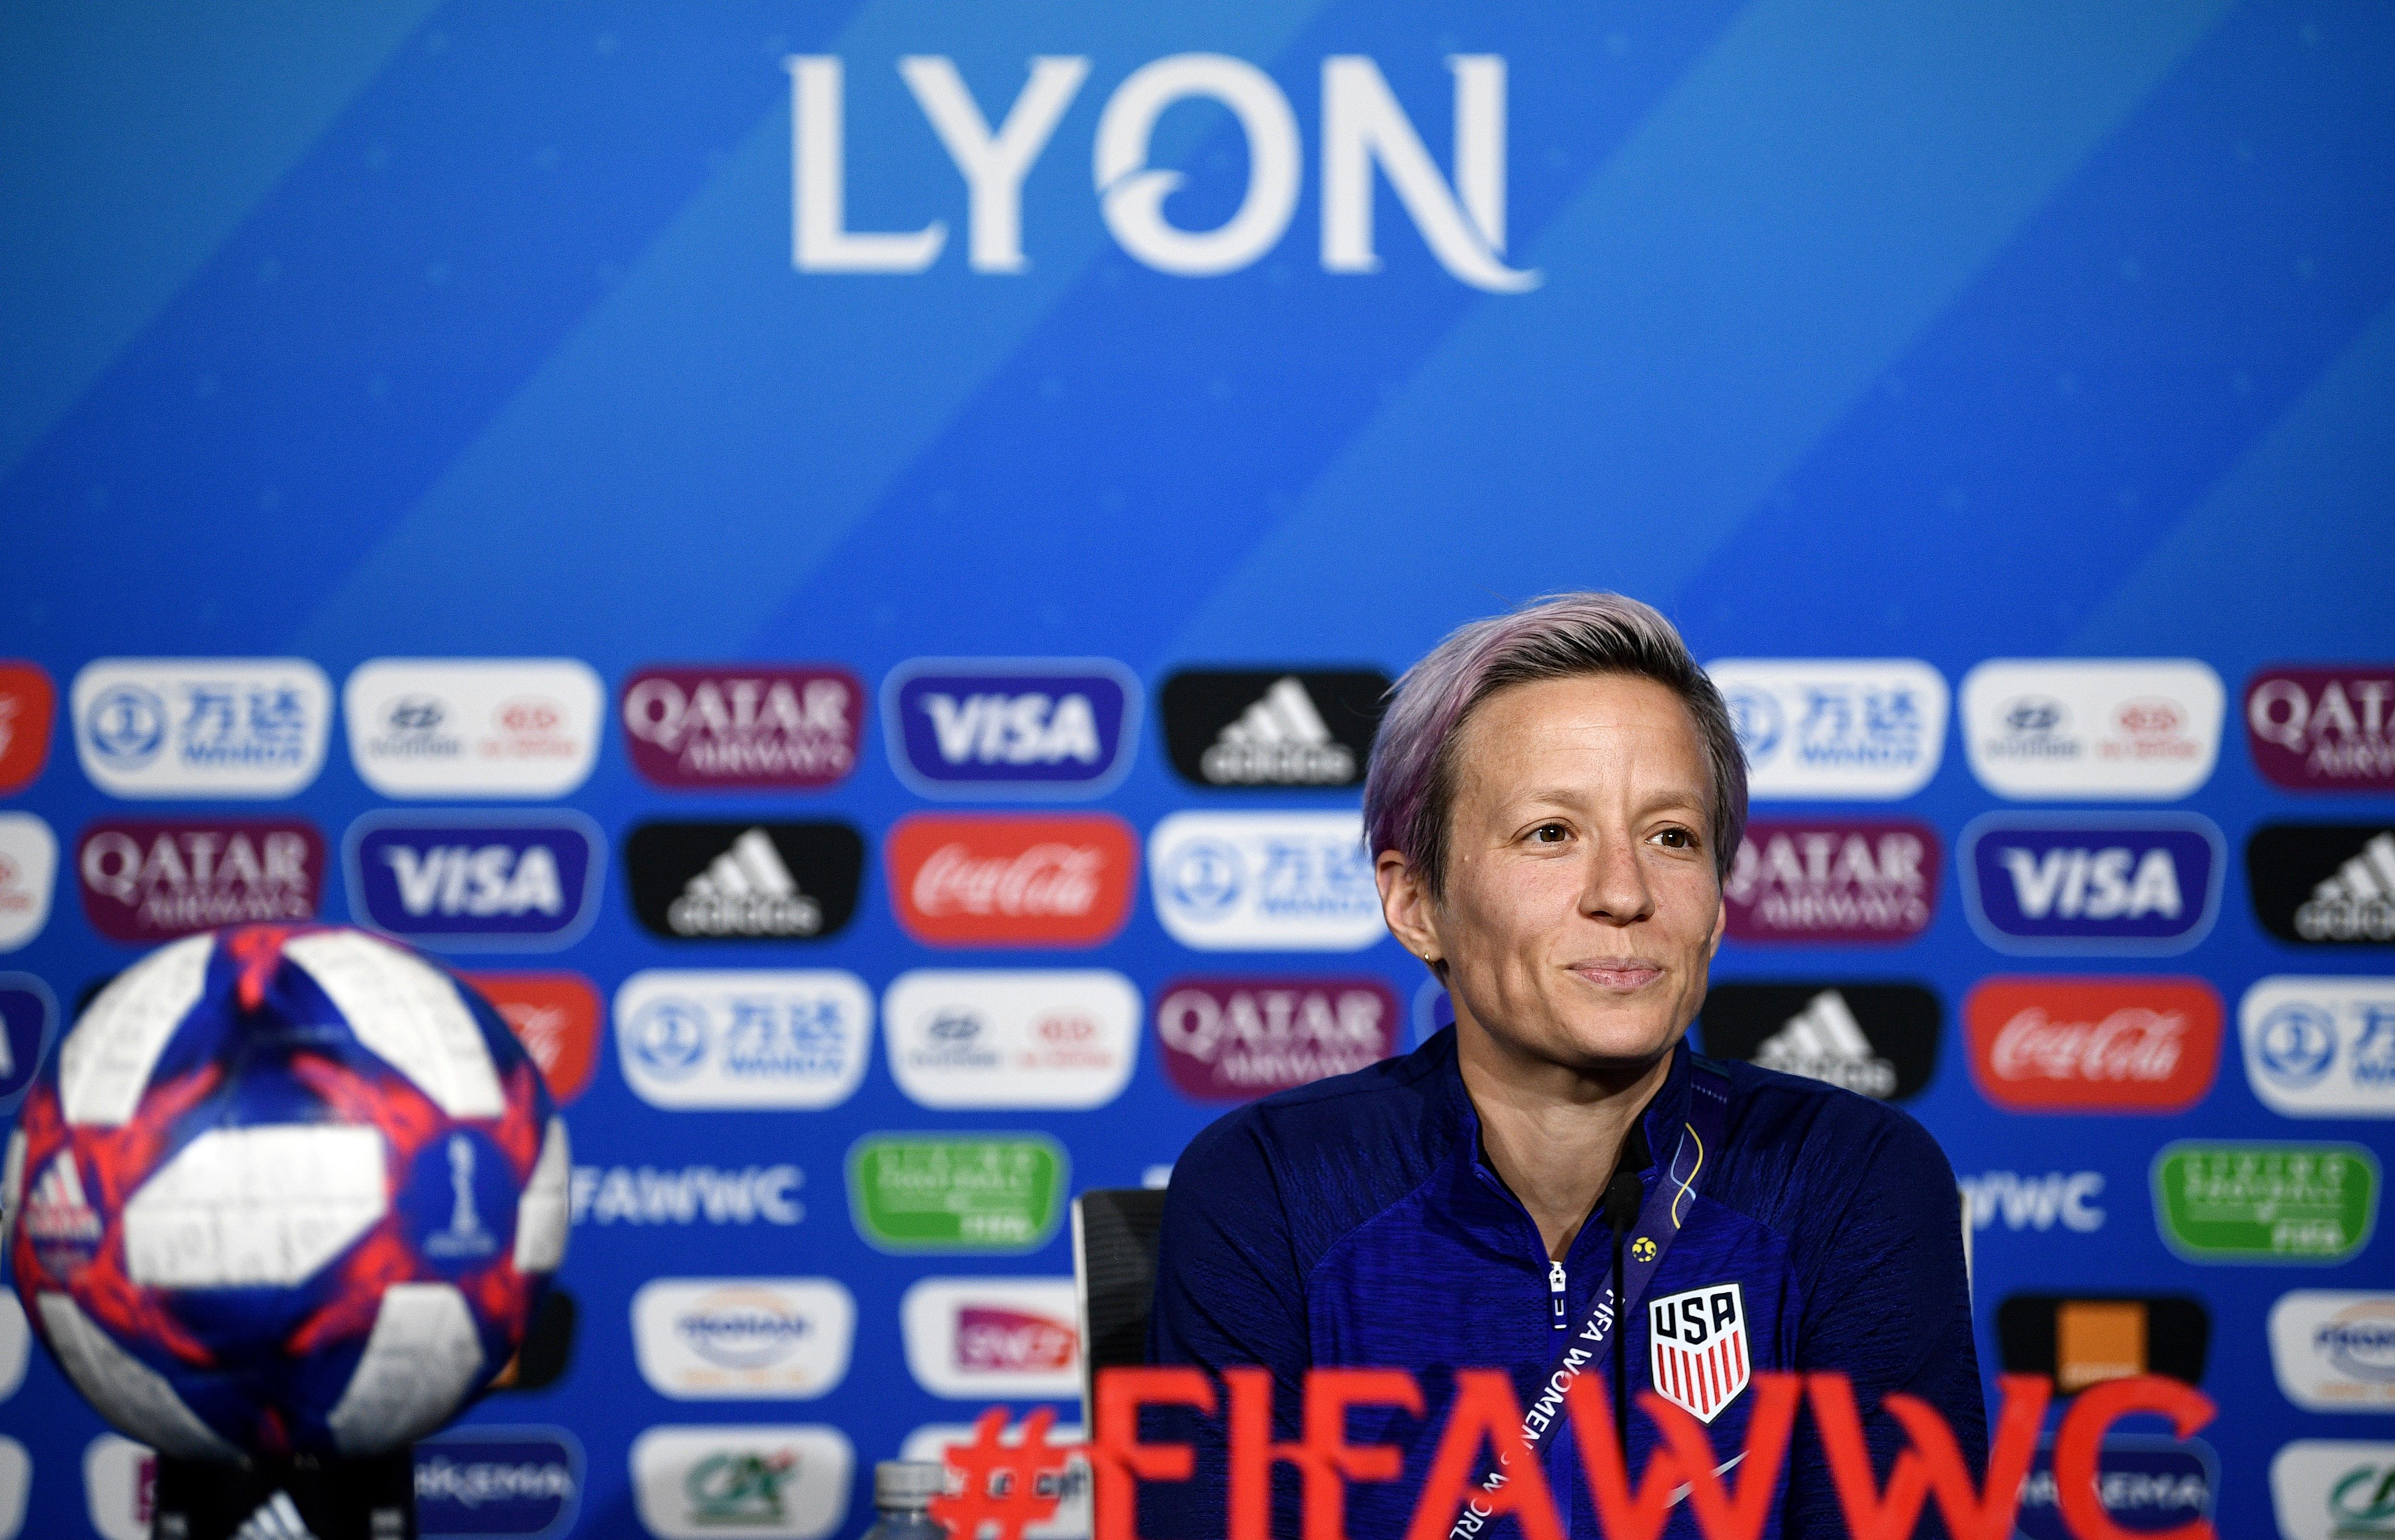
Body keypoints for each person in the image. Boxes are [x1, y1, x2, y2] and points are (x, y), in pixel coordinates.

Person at [1146, 592, 1984, 1536]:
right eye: (1551, 833)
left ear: (1714, 902)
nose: (1624, 893)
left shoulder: (1847, 1177)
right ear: (1417, 902)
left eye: (1673, 838)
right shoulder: (1273, 1188)